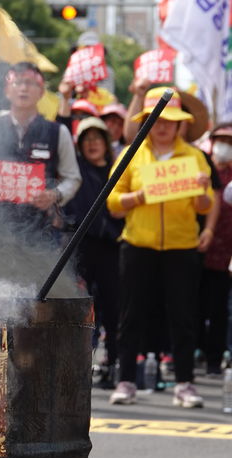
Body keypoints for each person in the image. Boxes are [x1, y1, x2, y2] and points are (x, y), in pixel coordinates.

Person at [107, 87, 214, 407]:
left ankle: (185, 383)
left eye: (170, 120)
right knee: (131, 315)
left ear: (181, 124)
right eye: (156, 119)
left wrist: (203, 193)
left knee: (183, 315)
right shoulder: (132, 154)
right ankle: (125, 380)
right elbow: (112, 203)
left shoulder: (195, 157)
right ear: (146, 122)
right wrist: (138, 197)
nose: (163, 126)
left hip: (182, 246)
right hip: (138, 244)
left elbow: (204, 207)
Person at [0, 62, 82, 289]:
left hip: (37, 230)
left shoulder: (57, 132)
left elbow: (73, 178)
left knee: (36, 295)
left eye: (30, 83)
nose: (23, 88)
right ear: (7, 91)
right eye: (17, 82)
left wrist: (55, 194)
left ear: (41, 92)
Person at [65, 117, 123, 388]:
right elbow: (63, 131)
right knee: (81, 307)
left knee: (113, 308)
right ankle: (79, 363)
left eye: (97, 139)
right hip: (81, 245)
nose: (92, 144)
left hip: (112, 248)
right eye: (87, 140)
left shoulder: (118, 170)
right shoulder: (77, 169)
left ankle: (113, 362)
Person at [198, 123, 232, 375]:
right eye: (221, 141)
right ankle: (193, 351)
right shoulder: (199, 169)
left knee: (219, 308)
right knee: (192, 305)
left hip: (224, 254)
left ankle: (214, 358)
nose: (224, 147)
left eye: (230, 143)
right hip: (195, 249)